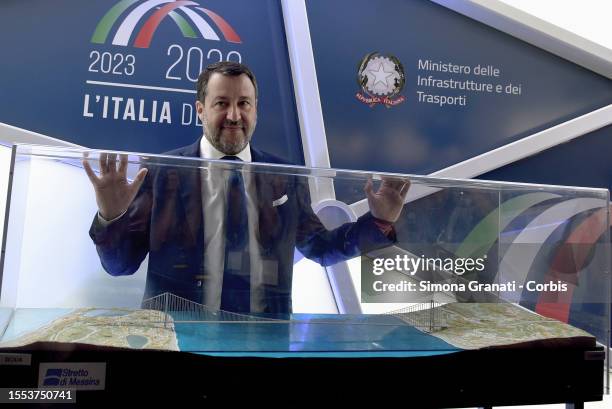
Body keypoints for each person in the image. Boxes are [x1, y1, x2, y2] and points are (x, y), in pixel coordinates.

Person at [85, 61, 409, 314]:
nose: (234, 115)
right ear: (200, 110)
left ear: (256, 109)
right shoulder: (162, 171)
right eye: (221, 103)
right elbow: (120, 266)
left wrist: (379, 221)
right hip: (177, 344)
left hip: (261, 347)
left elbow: (321, 248)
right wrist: (111, 217)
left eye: (244, 103)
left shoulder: (283, 175)